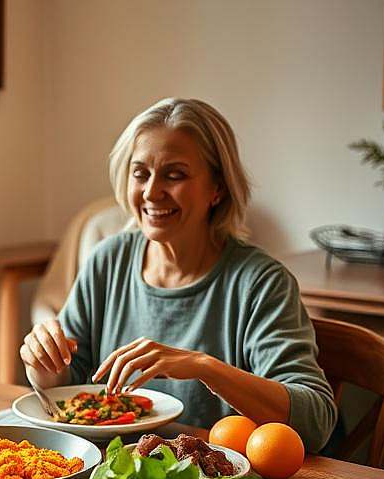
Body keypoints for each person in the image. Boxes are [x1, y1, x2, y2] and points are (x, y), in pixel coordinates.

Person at [21, 97, 336, 451]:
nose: (153, 192)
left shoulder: (261, 283)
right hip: (111, 475)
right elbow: (70, 384)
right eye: (141, 173)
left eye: (176, 175)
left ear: (217, 188)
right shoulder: (107, 260)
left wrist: (204, 366)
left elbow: (315, 422)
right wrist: (45, 366)